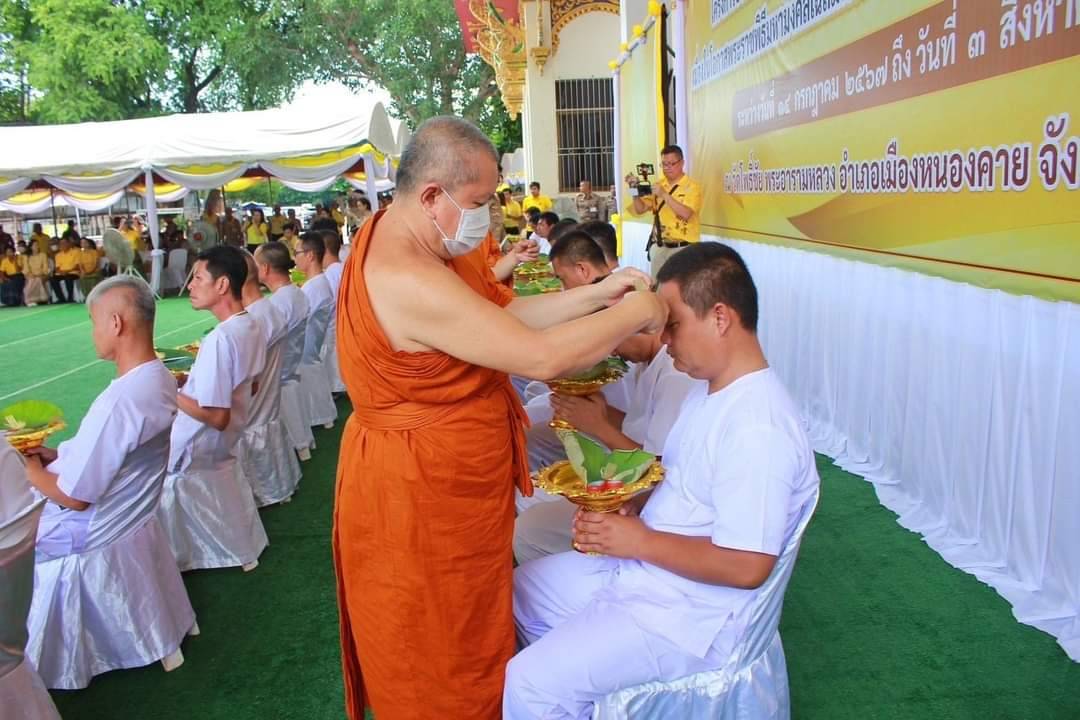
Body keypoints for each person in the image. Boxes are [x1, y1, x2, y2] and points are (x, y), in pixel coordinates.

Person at [333, 115, 666, 720]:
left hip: (454, 480)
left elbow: (504, 312)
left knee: (472, 619)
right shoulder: (403, 272)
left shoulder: (420, 235)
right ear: (431, 195)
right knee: (432, 640)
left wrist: (601, 292)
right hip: (415, 490)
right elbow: (538, 355)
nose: (489, 215)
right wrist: (639, 308)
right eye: (480, 201)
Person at [504, 243, 820, 719]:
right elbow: (680, 479)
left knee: (529, 685)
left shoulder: (759, 426)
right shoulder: (711, 392)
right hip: (650, 575)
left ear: (719, 317)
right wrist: (636, 502)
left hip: (692, 617)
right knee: (518, 591)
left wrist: (638, 539)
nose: (665, 340)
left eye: (673, 325)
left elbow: (748, 566)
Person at [23, 275, 196, 688]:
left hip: (92, 527)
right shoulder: (157, 376)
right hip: (126, 519)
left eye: (93, 322)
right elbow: (107, 453)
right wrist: (57, 455)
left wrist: (28, 470)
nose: (93, 333)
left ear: (116, 324)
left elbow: (75, 497)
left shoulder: (123, 398)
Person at [157, 246, 269, 572]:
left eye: (198, 278)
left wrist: (168, 389)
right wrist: (188, 381)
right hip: (226, 440)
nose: (190, 285)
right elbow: (251, 386)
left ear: (222, 285)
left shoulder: (221, 338)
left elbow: (218, 417)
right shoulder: (250, 324)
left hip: (196, 443)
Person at [237, 250, 301, 506]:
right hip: (266, 405)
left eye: (200, 277)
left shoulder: (252, 321)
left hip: (248, 411)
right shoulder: (267, 310)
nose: (193, 285)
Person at [255, 241, 314, 459]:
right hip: (289, 367)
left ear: (265, 269)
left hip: (276, 373)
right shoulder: (295, 294)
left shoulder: (278, 303)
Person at [625, 144, 703, 277]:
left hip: (683, 248)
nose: (667, 168)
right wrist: (633, 189)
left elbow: (686, 213)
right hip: (660, 247)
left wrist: (664, 195)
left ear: (682, 163)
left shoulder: (692, 187)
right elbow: (640, 209)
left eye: (671, 164)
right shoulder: (659, 184)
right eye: (664, 164)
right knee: (658, 287)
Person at [294, 232, 337, 428]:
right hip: (311, 350)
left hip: (303, 351)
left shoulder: (313, 287)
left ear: (310, 255)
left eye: (297, 253)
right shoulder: (318, 282)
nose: (295, 258)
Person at [50, 238, 80, 303]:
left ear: (69, 244)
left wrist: (67, 271)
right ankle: (61, 298)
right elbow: (57, 268)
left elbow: (77, 266)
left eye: (64, 243)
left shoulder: (76, 252)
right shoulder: (58, 255)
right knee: (52, 279)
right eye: (61, 244)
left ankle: (70, 298)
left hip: (72, 272)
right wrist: (61, 272)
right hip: (61, 273)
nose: (62, 245)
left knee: (68, 278)